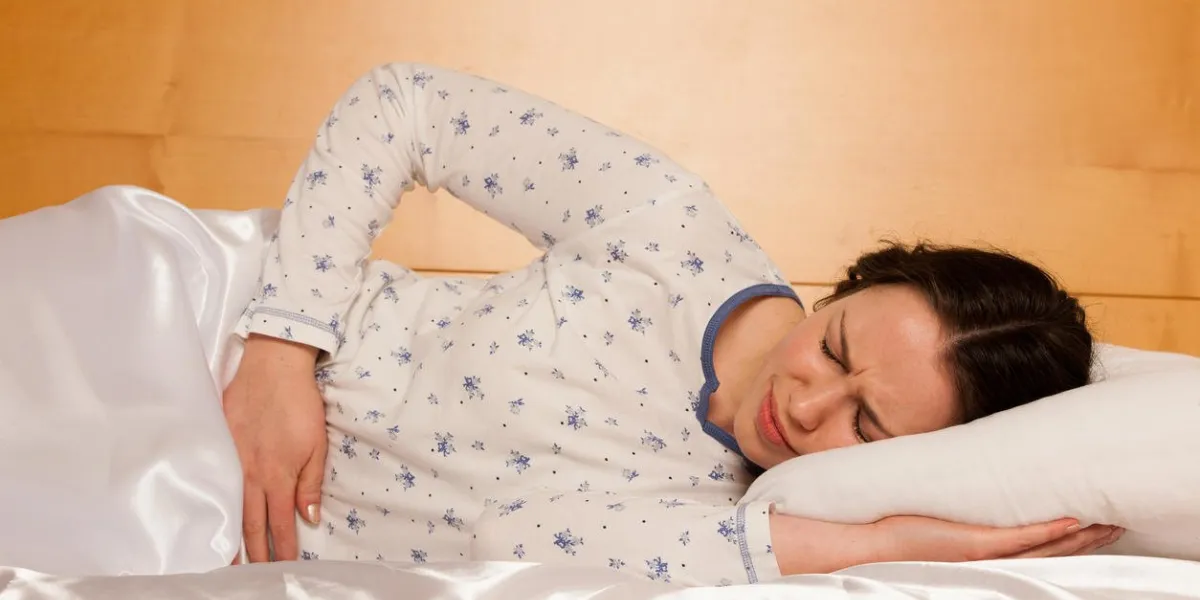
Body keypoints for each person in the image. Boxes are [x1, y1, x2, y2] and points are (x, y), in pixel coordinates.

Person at [222, 62, 1117, 587]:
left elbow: (511, 546)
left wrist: (884, 545)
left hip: (223, 540)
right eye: (836, 346)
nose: (809, 407)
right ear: (846, 288)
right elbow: (405, 104)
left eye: (867, 424)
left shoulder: (758, 525)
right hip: (228, 338)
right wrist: (283, 350)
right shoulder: (665, 226)